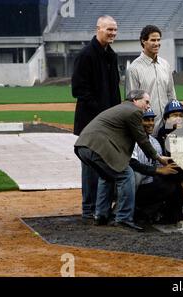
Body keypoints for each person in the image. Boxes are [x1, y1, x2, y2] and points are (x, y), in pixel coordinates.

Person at [74, 90, 170, 231]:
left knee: (106, 176)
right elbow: (142, 140)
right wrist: (158, 157)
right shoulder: (134, 111)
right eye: (146, 102)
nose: (148, 106)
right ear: (135, 100)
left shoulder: (120, 108)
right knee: (126, 175)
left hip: (83, 146)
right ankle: (124, 218)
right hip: (97, 146)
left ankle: (101, 215)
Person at [71, 15, 121, 221]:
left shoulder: (112, 55)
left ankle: (103, 206)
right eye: (109, 29)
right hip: (90, 121)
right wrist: (101, 112)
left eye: (115, 30)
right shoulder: (86, 55)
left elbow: (115, 89)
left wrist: (116, 114)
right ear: (98, 29)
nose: (112, 33)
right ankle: (88, 208)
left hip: (108, 122)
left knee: (107, 163)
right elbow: (79, 90)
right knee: (91, 165)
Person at [130, 108, 183, 224]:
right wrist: (158, 171)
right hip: (130, 188)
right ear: (138, 122)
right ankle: (132, 210)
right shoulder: (130, 141)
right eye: (146, 120)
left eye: (152, 120)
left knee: (173, 183)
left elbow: (162, 168)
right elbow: (133, 165)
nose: (150, 123)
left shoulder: (154, 142)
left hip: (147, 185)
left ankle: (169, 216)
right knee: (137, 175)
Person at [125, 25, 176, 135]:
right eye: (153, 40)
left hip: (167, 126)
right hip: (147, 127)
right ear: (143, 41)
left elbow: (171, 94)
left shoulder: (165, 65)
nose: (157, 43)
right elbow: (132, 104)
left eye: (158, 40)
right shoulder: (134, 69)